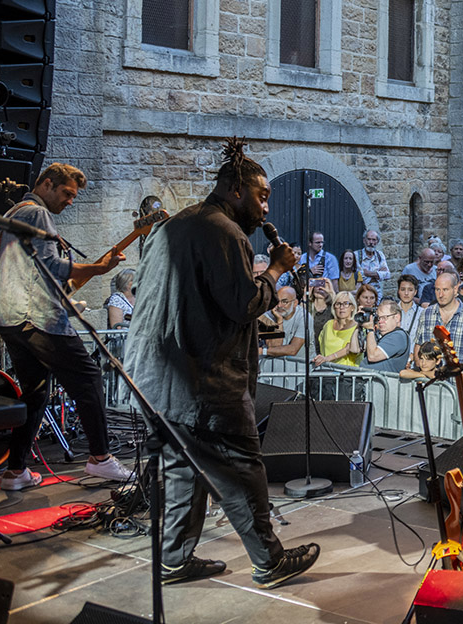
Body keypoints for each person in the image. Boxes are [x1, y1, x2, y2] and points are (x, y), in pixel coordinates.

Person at [125, 139, 319, 587]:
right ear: (236, 190)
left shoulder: (175, 225)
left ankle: (173, 558)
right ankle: (270, 562)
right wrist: (274, 270)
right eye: (262, 196)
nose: (266, 209)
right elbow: (244, 304)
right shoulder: (225, 232)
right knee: (242, 466)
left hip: (152, 378)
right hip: (201, 381)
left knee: (182, 465)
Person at [0, 162, 132, 490]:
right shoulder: (37, 215)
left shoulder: (12, 215)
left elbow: (31, 271)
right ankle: (100, 458)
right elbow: (52, 265)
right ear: (47, 184)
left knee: (36, 392)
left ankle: (15, 472)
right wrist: (98, 269)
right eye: (67, 193)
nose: (71, 201)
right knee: (88, 376)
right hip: (35, 317)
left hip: (10, 320)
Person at [415, 272, 463, 362]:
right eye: (437, 290)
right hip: (430, 375)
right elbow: (418, 346)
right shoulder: (426, 314)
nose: (441, 294)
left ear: (455, 290)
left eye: (445, 290)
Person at [311, 291, 360, 367]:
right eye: (338, 304)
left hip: (348, 373)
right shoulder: (328, 324)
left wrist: (327, 358)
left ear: (353, 307)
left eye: (346, 303)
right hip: (327, 371)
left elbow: (350, 348)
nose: (342, 307)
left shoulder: (358, 326)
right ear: (334, 307)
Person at [361, 300, 410, 373]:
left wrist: (370, 330)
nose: (380, 321)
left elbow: (373, 356)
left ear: (397, 317)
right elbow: (354, 349)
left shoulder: (398, 336)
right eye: (378, 318)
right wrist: (358, 325)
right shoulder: (379, 335)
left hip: (380, 382)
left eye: (384, 317)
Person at [261, 286, 307, 359]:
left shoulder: (304, 317)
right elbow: (274, 347)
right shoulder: (268, 315)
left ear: (295, 303)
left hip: (300, 366)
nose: (279, 305)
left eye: (284, 302)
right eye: (277, 301)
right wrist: (279, 321)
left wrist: (261, 351)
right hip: (275, 365)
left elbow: (293, 350)